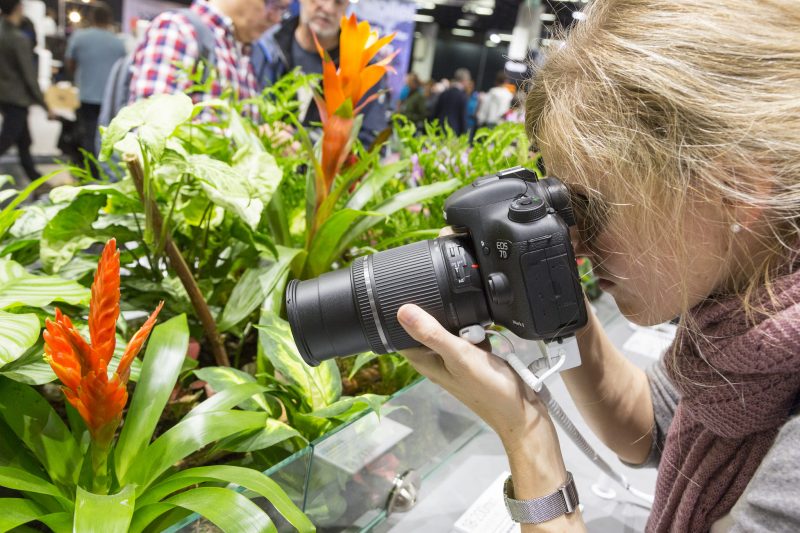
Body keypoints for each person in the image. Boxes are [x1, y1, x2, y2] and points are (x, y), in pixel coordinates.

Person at [396, 1, 800, 531]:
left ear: (739, 186)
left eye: (592, 208)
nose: (575, 241)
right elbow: (652, 425)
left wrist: (526, 436)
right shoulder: (749, 314)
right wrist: (547, 287)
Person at [254, 0, 389, 147]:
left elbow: (370, 143)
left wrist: (305, 146)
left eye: (338, 2)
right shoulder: (264, 46)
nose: (328, 8)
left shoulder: (363, 69)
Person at [129, 0, 274, 110]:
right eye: (271, 3)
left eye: (283, 9)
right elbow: (151, 130)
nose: (275, 18)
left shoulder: (243, 52)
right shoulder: (180, 28)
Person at [66, 2, 126, 157]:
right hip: (110, 99)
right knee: (108, 135)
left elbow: (70, 63)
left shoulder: (79, 37)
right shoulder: (119, 43)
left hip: (86, 95)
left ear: (92, 17)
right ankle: (104, 171)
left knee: (87, 134)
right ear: (110, 19)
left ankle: (90, 171)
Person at [0, 0, 50, 184]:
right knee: (7, 139)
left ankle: (35, 179)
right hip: (17, 98)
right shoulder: (18, 39)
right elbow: (29, 77)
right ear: (18, 8)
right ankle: (36, 180)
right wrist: (46, 105)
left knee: (23, 141)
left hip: (5, 96)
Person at [432, 68, 470, 136]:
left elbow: (435, 112)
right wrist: (465, 134)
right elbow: (463, 117)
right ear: (464, 80)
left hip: (439, 128)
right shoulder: (462, 96)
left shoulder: (444, 93)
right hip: (453, 131)